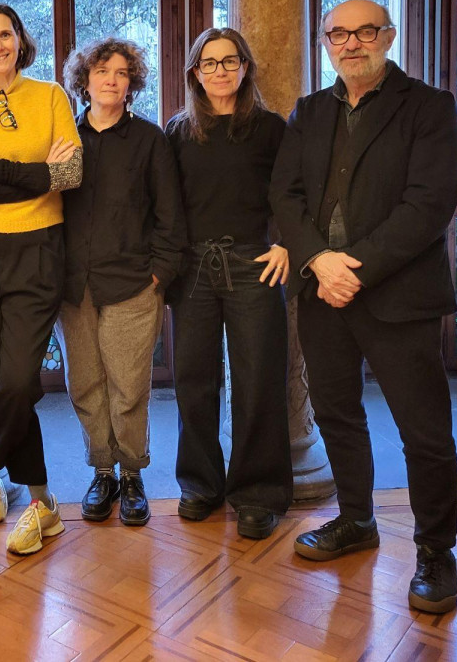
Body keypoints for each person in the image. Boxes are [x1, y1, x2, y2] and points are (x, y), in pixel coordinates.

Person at [271, 0, 457, 613]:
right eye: (338, 34)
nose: (351, 43)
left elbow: (428, 205)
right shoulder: (308, 112)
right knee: (336, 415)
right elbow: (285, 195)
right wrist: (317, 261)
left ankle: (435, 551)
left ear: (389, 36)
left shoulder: (429, 107)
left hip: (398, 295)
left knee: (424, 431)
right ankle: (356, 519)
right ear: (325, 42)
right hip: (321, 293)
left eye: (364, 32)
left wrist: (351, 268)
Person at [0, 1, 82, 556]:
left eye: (6, 34)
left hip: (39, 247)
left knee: (20, 378)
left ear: (21, 40)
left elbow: (71, 174)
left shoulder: (51, 96)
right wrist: (37, 173)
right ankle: (42, 503)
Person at [164, 27, 292, 541]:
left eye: (229, 61)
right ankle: (200, 484)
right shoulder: (178, 131)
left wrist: (286, 243)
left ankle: (258, 494)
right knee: (194, 379)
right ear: (195, 73)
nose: (220, 71)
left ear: (245, 67)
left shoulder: (271, 129)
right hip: (194, 265)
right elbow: (167, 205)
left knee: (258, 378)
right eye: (209, 63)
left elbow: (294, 193)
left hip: (254, 261)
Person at [56, 37, 183, 526]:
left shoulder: (150, 139)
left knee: (129, 387)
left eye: (121, 73)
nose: (111, 80)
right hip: (74, 285)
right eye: (102, 71)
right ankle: (103, 471)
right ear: (84, 81)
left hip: (133, 283)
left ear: (132, 84)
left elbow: (170, 216)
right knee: (86, 384)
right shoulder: (63, 139)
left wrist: (158, 274)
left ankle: (132, 474)